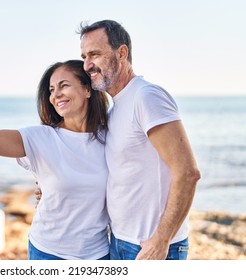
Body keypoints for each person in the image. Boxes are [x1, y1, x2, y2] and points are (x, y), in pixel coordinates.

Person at [0, 60, 110, 260]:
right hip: (49, 253)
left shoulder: (111, 136)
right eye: (51, 89)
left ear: (87, 90)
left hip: (98, 255)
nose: (55, 94)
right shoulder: (40, 138)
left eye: (63, 85)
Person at [78, 20, 201, 260]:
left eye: (94, 54)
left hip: (149, 247)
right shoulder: (116, 109)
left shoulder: (146, 96)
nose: (87, 65)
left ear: (121, 53)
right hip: (119, 241)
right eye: (84, 56)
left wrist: (161, 240)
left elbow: (188, 172)